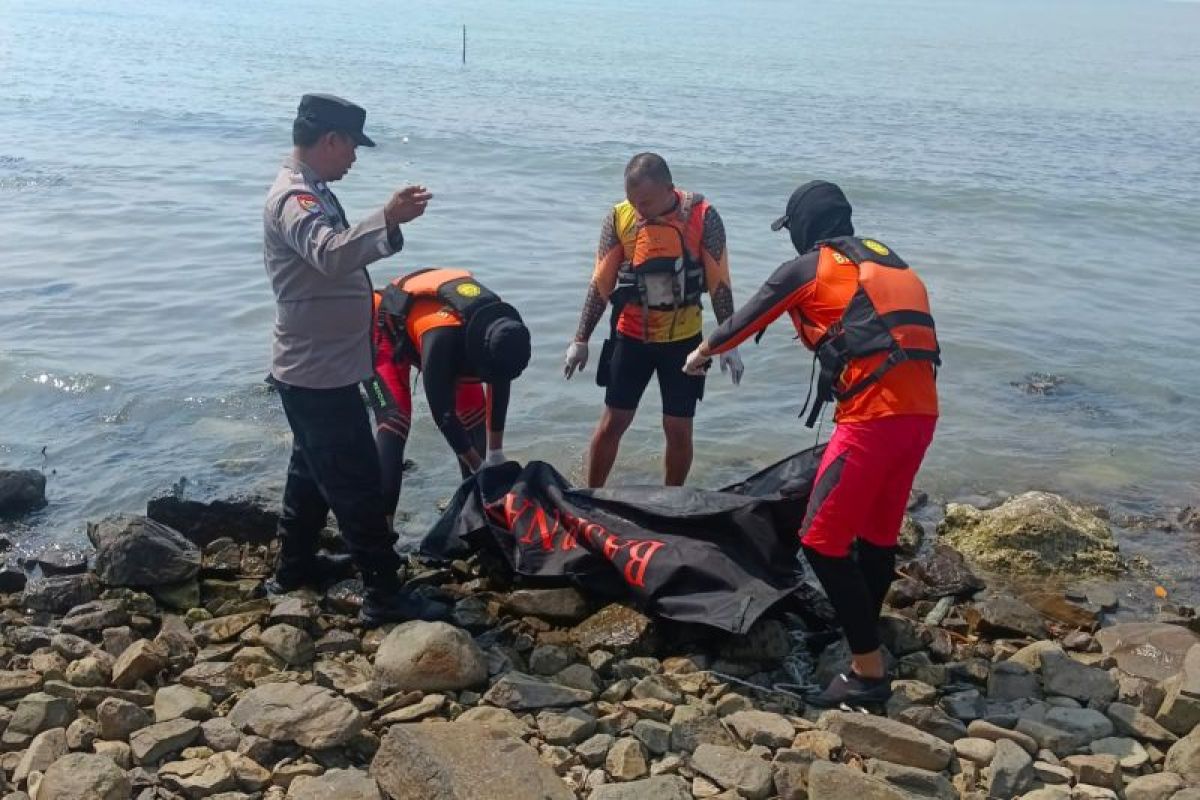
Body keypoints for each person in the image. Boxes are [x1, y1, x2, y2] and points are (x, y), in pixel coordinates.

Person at [684, 181, 940, 707]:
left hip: (873, 417)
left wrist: (704, 352)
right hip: (921, 412)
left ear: (805, 226)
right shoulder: (893, 262)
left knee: (820, 539)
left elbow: (748, 315)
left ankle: (867, 674)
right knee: (875, 534)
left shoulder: (811, 266)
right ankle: (861, 632)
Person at [261, 93, 448, 626]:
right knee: (358, 481)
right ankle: (384, 595)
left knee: (310, 471)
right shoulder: (294, 199)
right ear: (330, 141)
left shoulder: (311, 190)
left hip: (321, 365)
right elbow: (332, 253)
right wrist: (385, 215)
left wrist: (387, 225)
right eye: (351, 148)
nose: (354, 158)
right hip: (316, 370)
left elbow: (336, 255)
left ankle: (293, 569)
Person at [563, 153, 743, 488]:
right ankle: (591, 495)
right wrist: (581, 339)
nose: (639, 209)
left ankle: (672, 499)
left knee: (678, 427)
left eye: (645, 202)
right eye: (633, 201)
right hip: (631, 336)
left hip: (686, 342)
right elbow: (601, 283)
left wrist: (727, 343)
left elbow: (719, 283)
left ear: (669, 189)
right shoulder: (619, 218)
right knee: (613, 421)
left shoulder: (704, 217)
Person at [369, 268, 531, 524]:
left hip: (459, 336)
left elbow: (501, 382)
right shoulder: (441, 339)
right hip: (386, 330)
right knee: (395, 423)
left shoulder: (502, 328)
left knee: (474, 424)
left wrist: (496, 454)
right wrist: (479, 466)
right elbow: (442, 414)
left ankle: (474, 512)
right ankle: (380, 530)